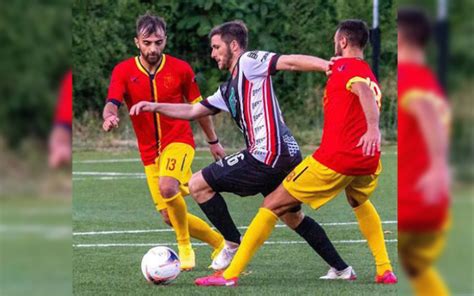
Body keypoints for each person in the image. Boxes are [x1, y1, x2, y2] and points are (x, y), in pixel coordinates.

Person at [130, 20, 355, 279]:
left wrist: (328, 65)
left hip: (268, 153)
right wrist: (154, 105)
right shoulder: (228, 90)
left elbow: (289, 62)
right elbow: (193, 110)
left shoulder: (249, 61)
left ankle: (232, 242)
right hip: (284, 154)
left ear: (233, 46)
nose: (213, 54)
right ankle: (342, 269)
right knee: (292, 217)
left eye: (216, 47)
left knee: (198, 184)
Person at [190, 19, 397, 287]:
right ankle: (383, 269)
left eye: (336, 40)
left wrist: (373, 128)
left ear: (343, 41)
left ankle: (229, 275)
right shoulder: (367, 70)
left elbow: (362, 92)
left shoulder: (345, 67)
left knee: (271, 205)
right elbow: (365, 90)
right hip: (368, 161)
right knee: (358, 202)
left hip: (335, 160)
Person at [102, 12, 226, 270]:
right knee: (168, 215)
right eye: (147, 43)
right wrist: (110, 117)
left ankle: (184, 247)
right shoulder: (123, 71)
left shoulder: (181, 69)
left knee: (168, 188)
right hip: (149, 152)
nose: (153, 48)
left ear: (165, 41)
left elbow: (199, 107)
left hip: (179, 141)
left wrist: (213, 141)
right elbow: (112, 102)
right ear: (137, 42)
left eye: (158, 42)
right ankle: (220, 244)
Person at [398, 8, 451, 295]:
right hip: (431, 202)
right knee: (415, 268)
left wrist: (437, 167)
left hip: (415, 199)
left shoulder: (410, 78)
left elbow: (426, 112)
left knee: (409, 265)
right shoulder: (428, 80)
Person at [49, 70, 72, 168]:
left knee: (58, 152)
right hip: (64, 120)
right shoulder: (69, 77)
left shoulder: (69, 76)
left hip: (63, 120)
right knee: (58, 153)